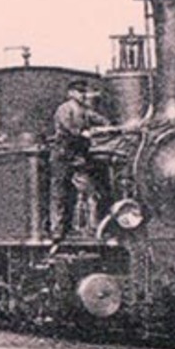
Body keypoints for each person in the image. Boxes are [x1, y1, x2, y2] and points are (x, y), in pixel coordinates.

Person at [49, 78, 113, 240]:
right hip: (63, 155)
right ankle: (56, 228)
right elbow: (68, 127)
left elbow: (99, 119)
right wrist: (82, 132)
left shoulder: (84, 110)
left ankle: (90, 225)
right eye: (80, 92)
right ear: (71, 93)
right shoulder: (64, 109)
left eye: (84, 92)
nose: (83, 95)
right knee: (60, 193)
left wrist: (109, 126)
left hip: (79, 156)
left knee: (89, 189)